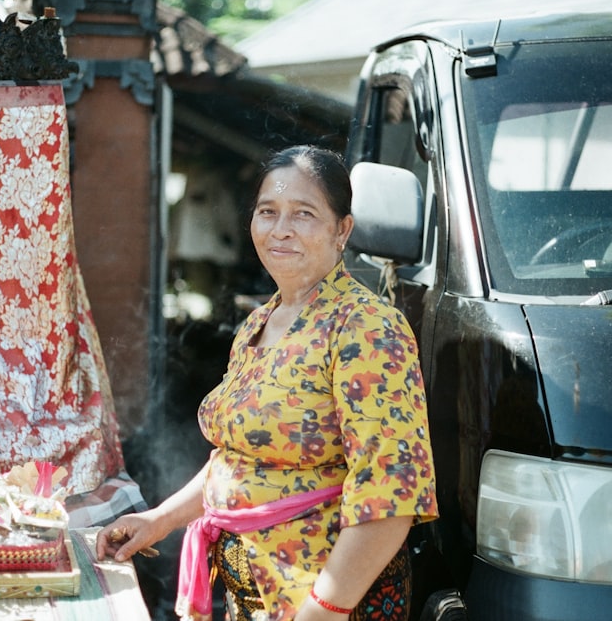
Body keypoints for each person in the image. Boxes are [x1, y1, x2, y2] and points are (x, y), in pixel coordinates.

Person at [97, 145, 437, 621]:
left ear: (342, 230)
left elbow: (391, 495)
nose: (281, 230)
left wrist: (323, 609)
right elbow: (237, 460)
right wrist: (158, 521)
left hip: (325, 601)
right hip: (254, 591)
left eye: (303, 214)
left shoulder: (366, 327)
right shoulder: (259, 322)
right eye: (267, 212)